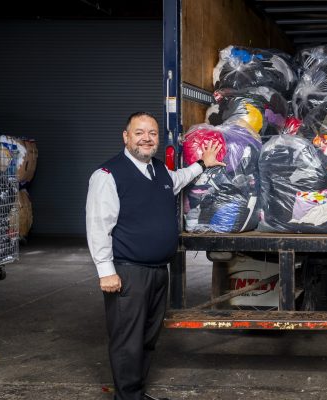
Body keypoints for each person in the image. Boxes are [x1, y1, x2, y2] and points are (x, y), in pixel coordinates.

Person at [85, 112, 225, 400]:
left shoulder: (159, 170)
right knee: (127, 341)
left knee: (147, 339)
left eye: (152, 133)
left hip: (159, 270)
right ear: (126, 136)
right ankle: (127, 397)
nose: (146, 138)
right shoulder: (108, 175)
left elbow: (178, 179)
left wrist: (201, 164)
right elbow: (98, 224)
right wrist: (105, 270)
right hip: (128, 272)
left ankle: (136, 392)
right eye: (139, 132)